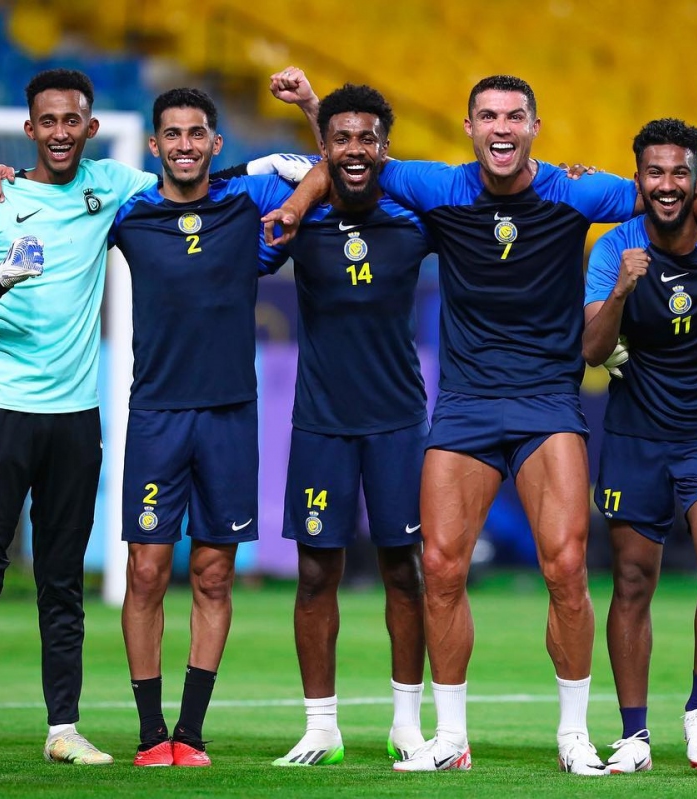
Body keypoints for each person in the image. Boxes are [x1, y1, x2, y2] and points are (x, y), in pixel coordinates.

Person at [264, 75, 697, 776]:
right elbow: (350, 162)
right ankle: (451, 737)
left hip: (548, 401)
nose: (502, 127)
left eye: (515, 116)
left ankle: (574, 734)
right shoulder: (439, 187)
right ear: (468, 127)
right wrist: (296, 194)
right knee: (438, 567)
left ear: (534, 126)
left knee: (564, 568)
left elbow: (667, 189)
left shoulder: (573, 191)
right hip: (464, 403)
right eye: (489, 115)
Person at [0, 68, 156, 768]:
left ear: (90, 128)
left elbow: (193, 191)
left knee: (62, 577)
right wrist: (1, 275)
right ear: (30, 129)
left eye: (73, 120)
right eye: (48, 121)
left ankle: (63, 727)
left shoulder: (112, 186)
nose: (61, 131)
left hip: (73, 417)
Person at [110, 88, 295, 767]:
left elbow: (333, 161)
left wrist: (281, 151)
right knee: (146, 570)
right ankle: (149, 731)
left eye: (197, 133)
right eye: (173, 134)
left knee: (215, 574)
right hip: (157, 415)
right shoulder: (131, 218)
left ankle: (190, 732)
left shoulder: (244, 209)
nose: (185, 143)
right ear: (154, 145)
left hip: (229, 417)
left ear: (216, 144)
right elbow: (65, 195)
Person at [260, 70, 429, 768]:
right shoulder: (302, 220)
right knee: (314, 575)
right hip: (322, 423)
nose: (355, 149)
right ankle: (320, 725)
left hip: (396, 420)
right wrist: (308, 123)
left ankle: (407, 724)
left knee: (403, 571)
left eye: (368, 138)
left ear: (386, 148)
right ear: (322, 148)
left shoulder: (415, 218)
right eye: (341, 138)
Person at [582, 119, 697, 774]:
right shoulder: (613, 247)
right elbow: (593, 353)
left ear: (696, 181)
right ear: (638, 180)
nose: (667, 184)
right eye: (655, 172)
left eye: (680, 172)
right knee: (631, 580)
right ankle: (634, 734)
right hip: (636, 431)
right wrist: (623, 286)